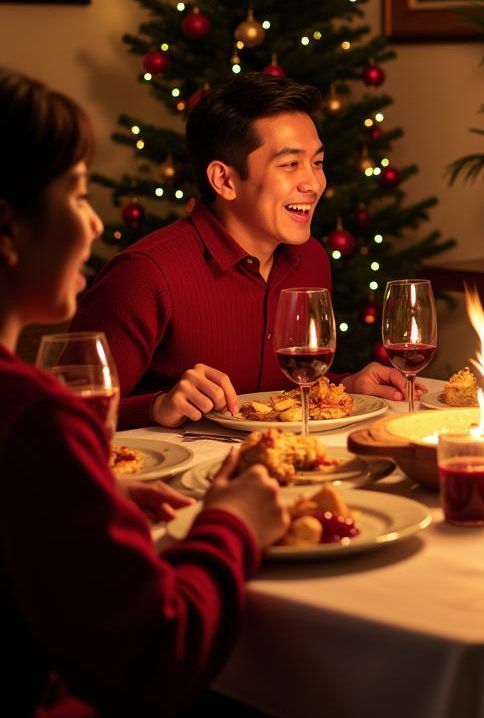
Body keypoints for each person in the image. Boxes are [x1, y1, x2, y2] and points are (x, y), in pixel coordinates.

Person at [0, 68, 288, 715]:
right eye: (77, 197)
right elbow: (158, 661)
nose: (96, 225)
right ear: (9, 227)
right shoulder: (35, 416)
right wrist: (231, 524)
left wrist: (84, 493)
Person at [72, 73, 413, 430]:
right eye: (290, 164)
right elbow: (59, 413)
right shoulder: (145, 275)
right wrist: (157, 406)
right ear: (224, 180)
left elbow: (279, 397)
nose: (313, 184)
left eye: (317, 162)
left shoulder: (310, 259)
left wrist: (346, 386)